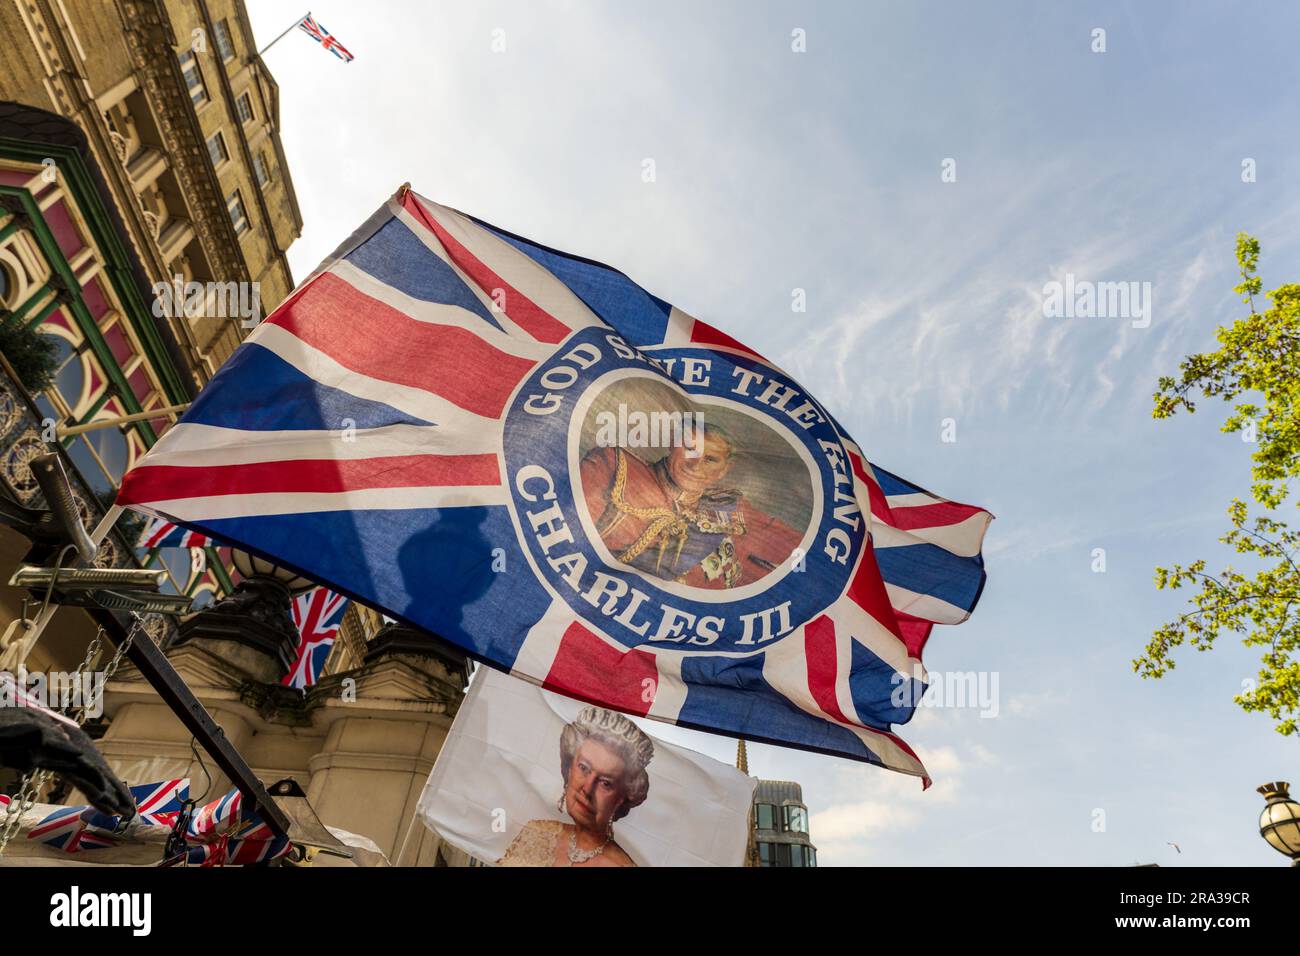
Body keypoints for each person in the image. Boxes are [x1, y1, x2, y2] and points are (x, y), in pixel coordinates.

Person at [580, 422, 803, 588]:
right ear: (672, 444)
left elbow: (804, 553)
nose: (695, 465)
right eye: (690, 449)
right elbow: (570, 530)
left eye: (710, 459)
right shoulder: (616, 467)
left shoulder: (732, 510)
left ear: (724, 470)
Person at [497, 706, 654, 867]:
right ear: (570, 769)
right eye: (584, 768)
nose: (587, 788)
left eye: (606, 783)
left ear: (621, 798)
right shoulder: (536, 834)